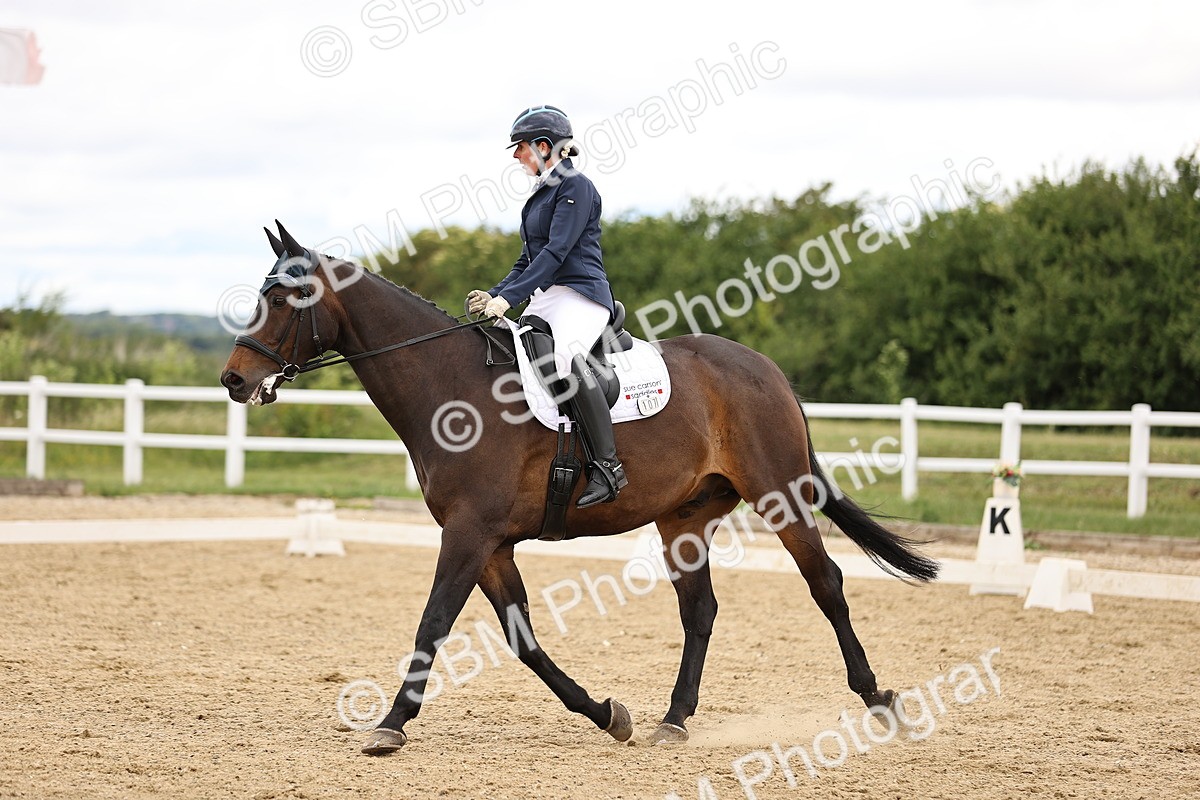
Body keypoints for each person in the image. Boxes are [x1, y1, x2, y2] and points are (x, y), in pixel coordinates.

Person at [467, 104, 627, 508]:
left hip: (581, 294)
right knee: (511, 346)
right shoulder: (539, 197)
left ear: (543, 146)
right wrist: (495, 293)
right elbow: (528, 259)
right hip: (549, 296)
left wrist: (508, 298)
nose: (517, 156)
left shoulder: (576, 186)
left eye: (520, 148)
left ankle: (609, 467)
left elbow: (556, 254)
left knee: (565, 360)